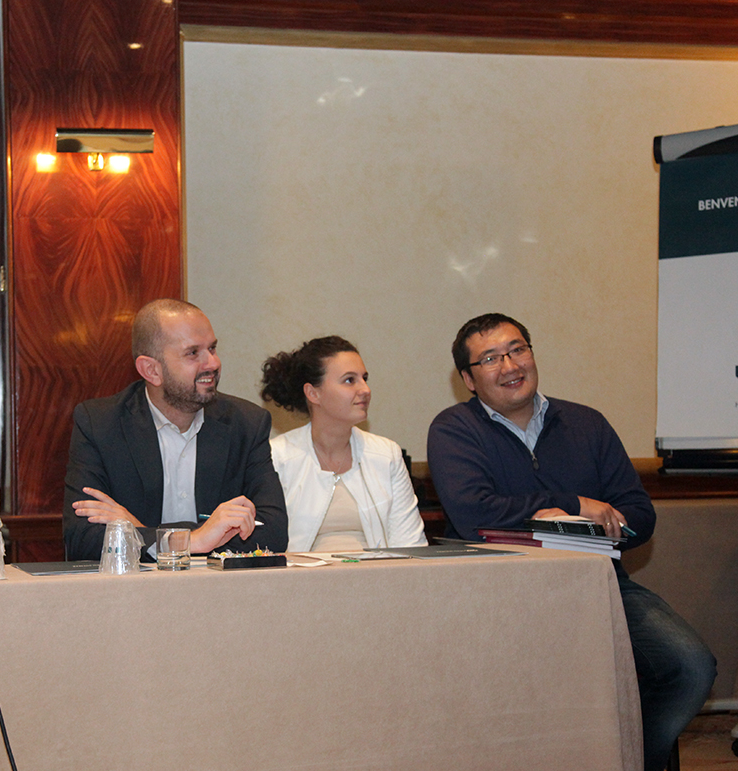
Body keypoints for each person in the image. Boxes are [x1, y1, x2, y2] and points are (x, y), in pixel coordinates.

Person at [427, 312, 715, 771]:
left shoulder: (586, 423)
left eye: (517, 350)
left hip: (598, 585)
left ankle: (629, 758)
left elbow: (640, 515)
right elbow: (474, 513)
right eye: (491, 358)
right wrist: (572, 504)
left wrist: (587, 528)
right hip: (497, 593)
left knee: (690, 666)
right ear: (468, 379)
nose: (510, 366)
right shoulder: (454, 430)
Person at [63, 299, 288, 561]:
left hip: (216, 585)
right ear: (151, 370)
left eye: (212, 348)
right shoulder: (100, 424)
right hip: (135, 586)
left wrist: (141, 531)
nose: (212, 363)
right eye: (193, 353)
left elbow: (273, 533)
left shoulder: (247, 424)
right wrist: (196, 539)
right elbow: (82, 538)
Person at [260, 336, 426, 551]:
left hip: (377, 571)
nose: (365, 389)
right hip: (300, 572)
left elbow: (411, 546)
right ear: (313, 393)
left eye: (364, 378)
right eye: (349, 380)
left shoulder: (386, 455)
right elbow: (266, 547)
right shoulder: (276, 457)